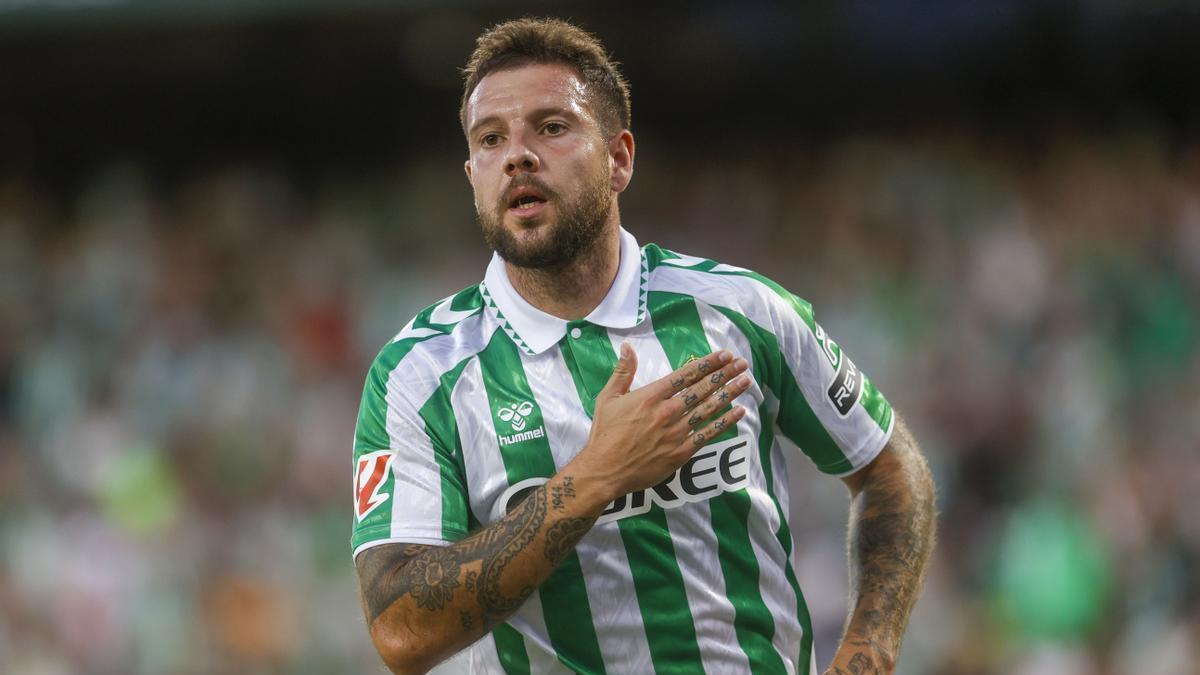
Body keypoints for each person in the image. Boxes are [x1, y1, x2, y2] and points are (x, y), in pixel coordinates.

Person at [352, 17, 936, 675]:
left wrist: (868, 650)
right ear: (472, 175)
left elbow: (888, 466)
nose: (517, 154)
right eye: (491, 139)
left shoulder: (740, 312)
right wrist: (593, 478)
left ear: (620, 157)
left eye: (551, 127)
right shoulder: (421, 373)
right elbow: (400, 630)